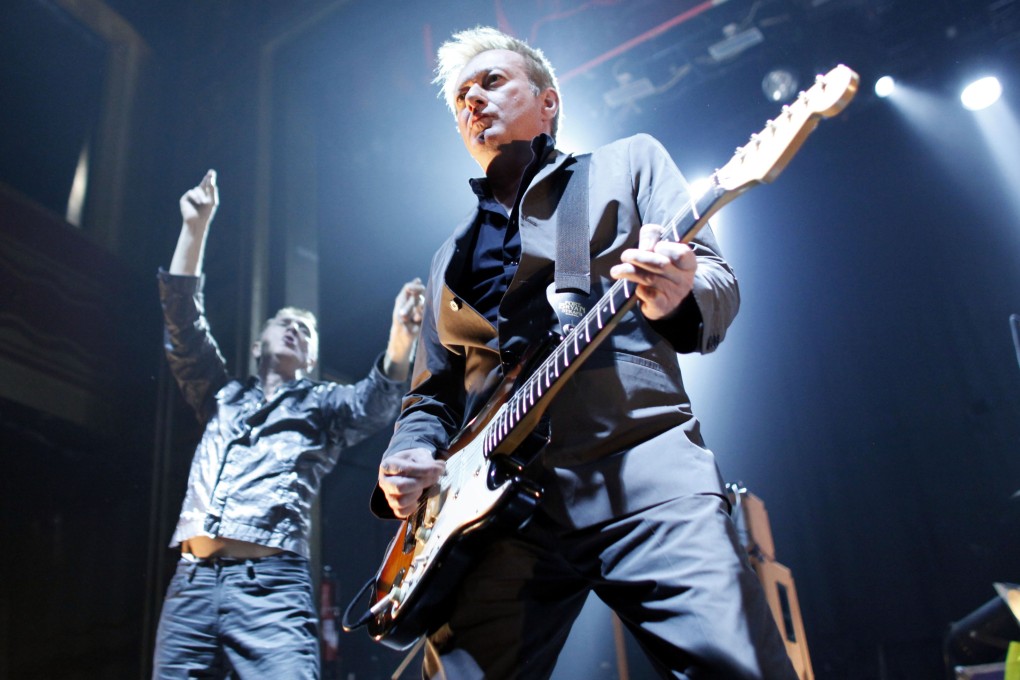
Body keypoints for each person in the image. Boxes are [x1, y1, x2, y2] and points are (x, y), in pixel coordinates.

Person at [373, 27, 798, 679]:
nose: (473, 102)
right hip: (498, 509)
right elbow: (431, 395)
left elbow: (715, 279)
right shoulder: (446, 261)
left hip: (642, 468)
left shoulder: (626, 163)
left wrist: (676, 291)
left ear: (548, 104)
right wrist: (408, 453)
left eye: (491, 82)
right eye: (460, 96)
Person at [153, 169, 425, 679]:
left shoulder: (321, 404)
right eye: (287, 324)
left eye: (308, 331)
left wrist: (400, 338)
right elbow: (184, 322)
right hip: (189, 584)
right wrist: (195, 227)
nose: (298, 331)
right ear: (259, 344)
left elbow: (374, 403)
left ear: (312, 356)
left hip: (270, 587)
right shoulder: (221, 395)